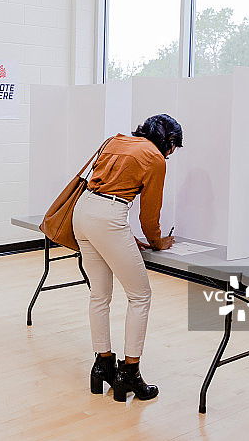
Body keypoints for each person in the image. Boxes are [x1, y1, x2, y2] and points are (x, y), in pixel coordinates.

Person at [72, 114, 182, 402]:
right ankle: (129, 373)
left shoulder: (115, 141)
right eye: (173, 149)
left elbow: (102, 186)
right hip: (108, 218)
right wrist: (158, 242)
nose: (170, 155)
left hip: (82, 212)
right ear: (169, 142)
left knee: (99, 295)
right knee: (140, 295)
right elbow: (149, 214)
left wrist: (117, 232)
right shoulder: (155, 158)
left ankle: (103, 364)